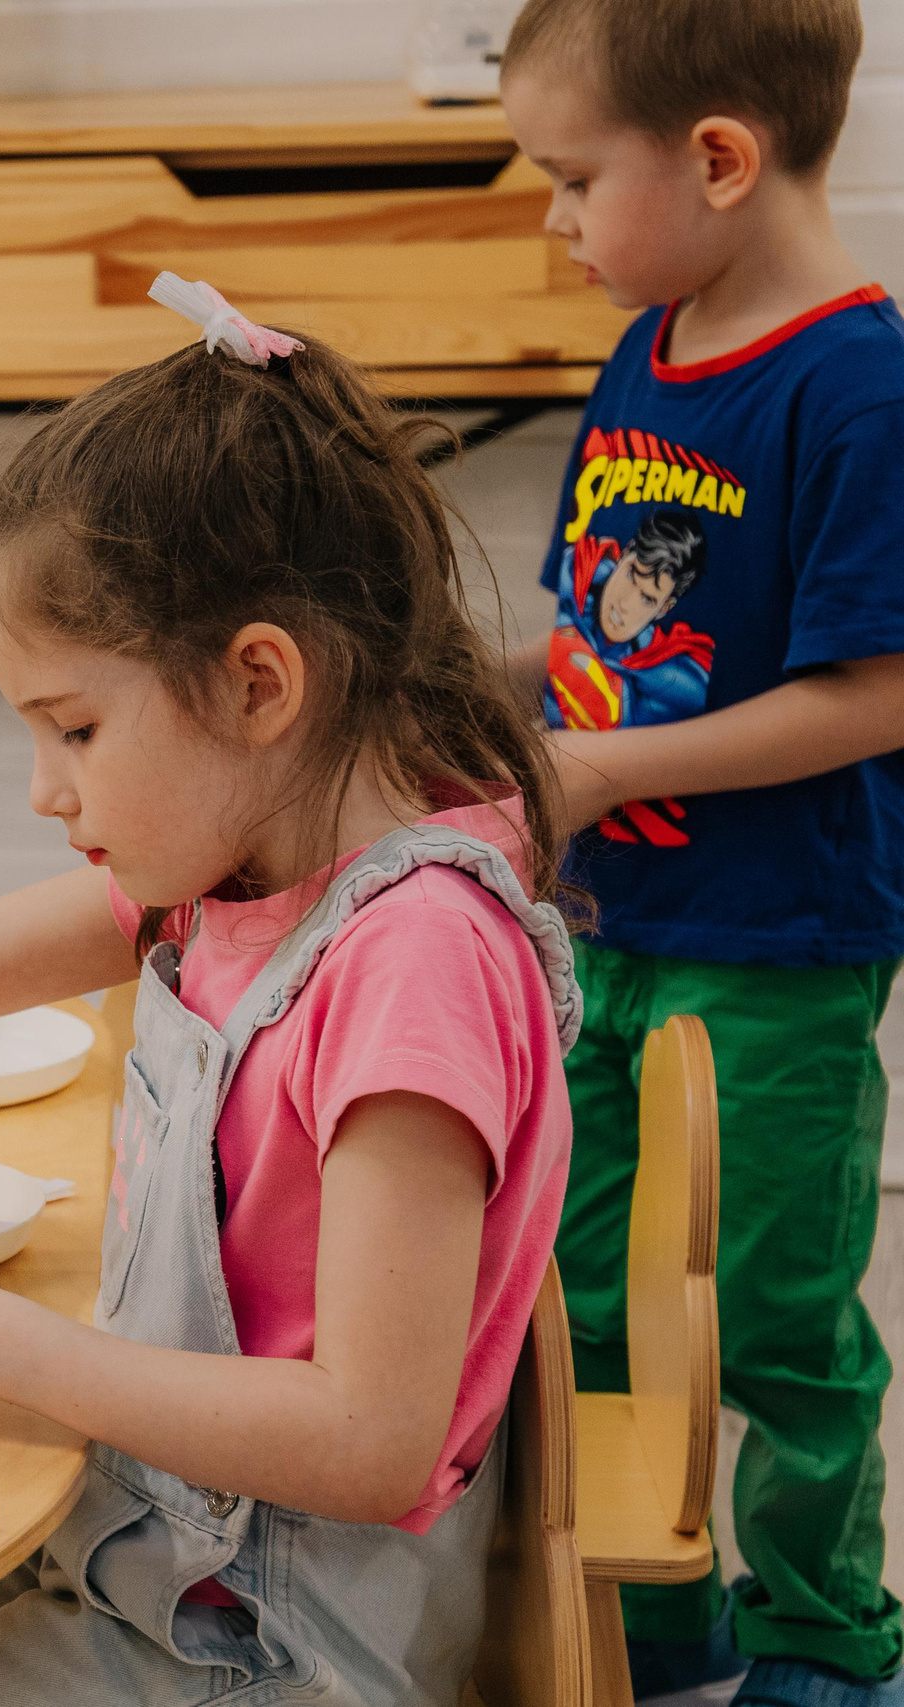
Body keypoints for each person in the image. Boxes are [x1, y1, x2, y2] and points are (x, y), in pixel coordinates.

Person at [0, 289, 580, 1707]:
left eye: (76, 730)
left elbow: (372, 1437)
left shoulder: (412, 962)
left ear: (257, 685)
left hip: (266, 1656)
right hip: (145, 1577)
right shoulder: (238, 869)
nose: (45, 792)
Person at [499, 1, 904, 1698]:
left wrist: (598, 769)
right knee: (589, 1290)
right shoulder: (646, 350)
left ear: (719, 158)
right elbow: (589, 630)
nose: (553, 217)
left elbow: (872, 694)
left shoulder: (856, 387)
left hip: (780, 944)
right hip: (613, 917)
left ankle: (827, 1635)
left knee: (774, 1322)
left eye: (573, 177)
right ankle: (654, 1608)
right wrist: (464, 690)